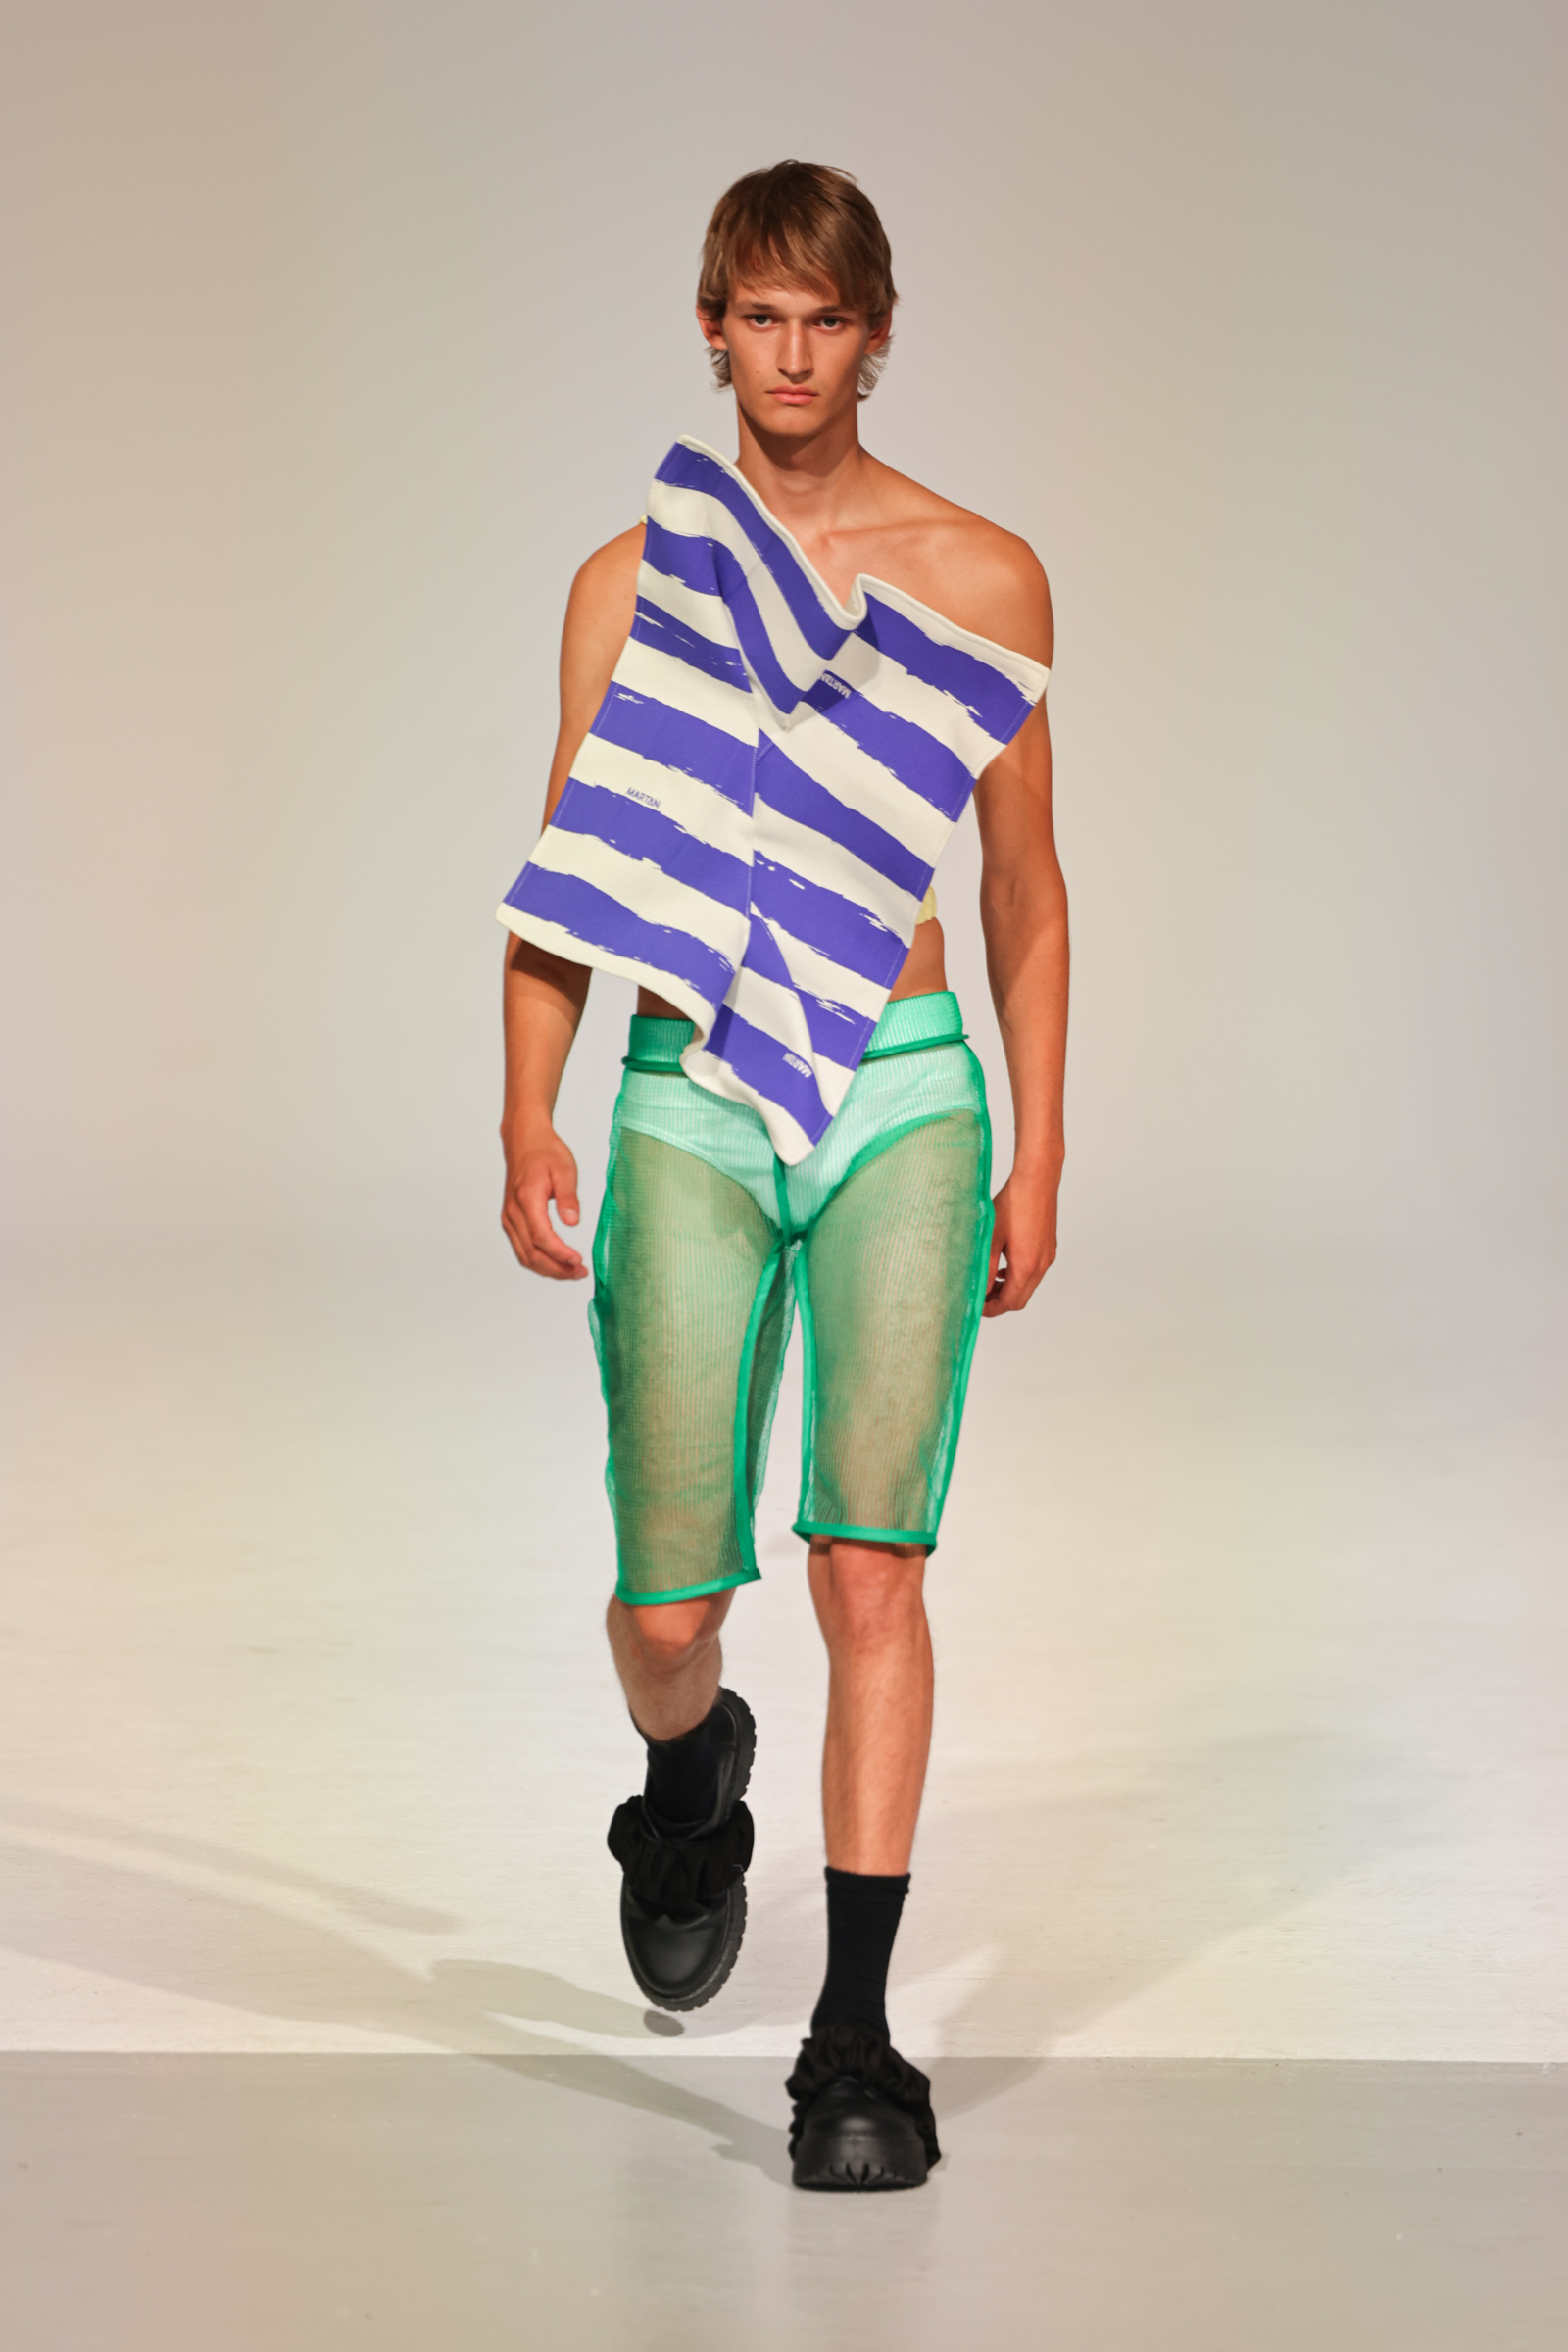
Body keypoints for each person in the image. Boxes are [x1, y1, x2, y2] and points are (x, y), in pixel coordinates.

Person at [498, 161, 1066, 2191]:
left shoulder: (979, 575)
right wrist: (528, 1105)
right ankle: (688, 1779)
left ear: (876, 333)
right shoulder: (632, 582)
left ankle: (854, 2046)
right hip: (691, 1086)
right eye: (760, 314)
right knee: (669, 1604)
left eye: (827, 318)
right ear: (713, 329)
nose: (795, 352)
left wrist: (1042, 1138)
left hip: (900, 1083)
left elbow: (1021, 886)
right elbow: (572, 870)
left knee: (869, 1566)